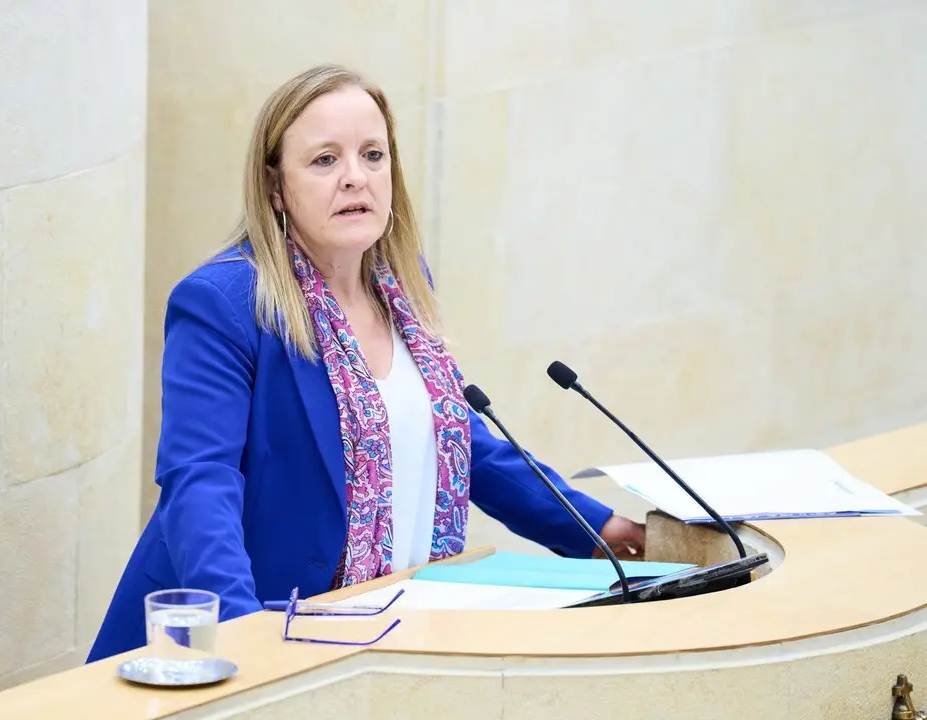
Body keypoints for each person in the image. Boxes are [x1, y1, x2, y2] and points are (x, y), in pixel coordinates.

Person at [86, 63, 644, 663]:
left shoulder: (402, 285)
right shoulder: (225, 304)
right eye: (324, 160)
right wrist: (244, 636)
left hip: (390, 627)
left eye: (372, 155)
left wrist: (599, 529)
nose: (356, 178)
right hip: (253, 638)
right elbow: (200, 482)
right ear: (276, 188)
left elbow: (454, 440)